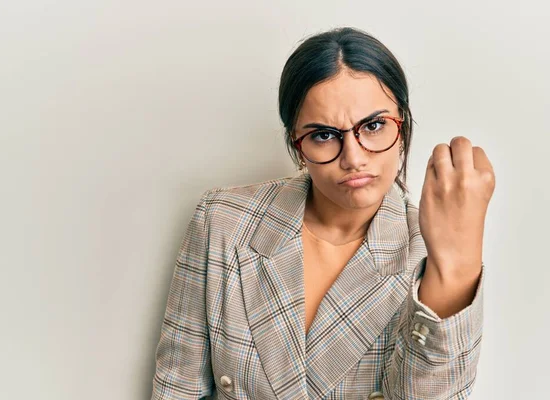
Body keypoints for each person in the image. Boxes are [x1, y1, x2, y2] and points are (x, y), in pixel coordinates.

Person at [151, 26, 495, 400]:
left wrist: (455, 267)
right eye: (324, 135)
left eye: (374, 126)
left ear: (404, 127)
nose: (353, 158)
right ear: (297, 144)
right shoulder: (223, 222)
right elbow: (176, 388)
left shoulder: (428, 253)